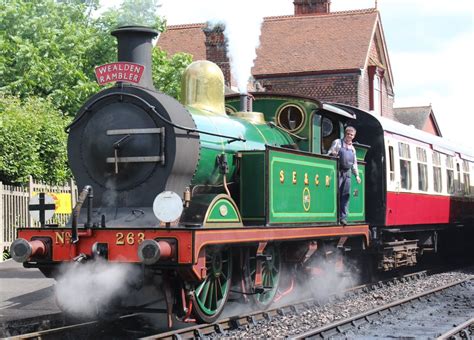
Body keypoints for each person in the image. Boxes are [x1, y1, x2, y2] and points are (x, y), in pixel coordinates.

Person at [328, 126, 361, 225]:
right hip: (338, 170)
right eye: (348, 134)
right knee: (336, 193)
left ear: (354, 136)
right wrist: (333, 154)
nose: (350, 136)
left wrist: (357, 175)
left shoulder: (353, 149)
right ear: (345, 134)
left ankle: (343, 217)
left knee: (346, 195)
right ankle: (335, 216)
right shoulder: (338, 142)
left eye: (352, 135)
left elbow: (354, 163)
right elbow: (329, 153)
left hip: (348, 172)